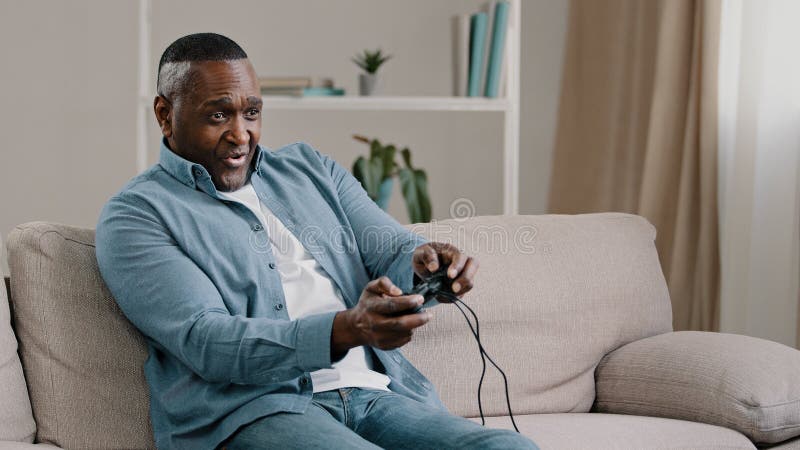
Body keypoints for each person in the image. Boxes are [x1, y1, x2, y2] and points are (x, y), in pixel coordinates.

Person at [95, 33, 537, 450]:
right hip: (255, 411)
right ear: (164, 113)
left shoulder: (311, 169)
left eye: (252, 113)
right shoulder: (137, 215)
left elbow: (391, 248)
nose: (241, 134)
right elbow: (207, 340)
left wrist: (427, 265)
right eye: (217, 115)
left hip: (376, 394)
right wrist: (347, 329)